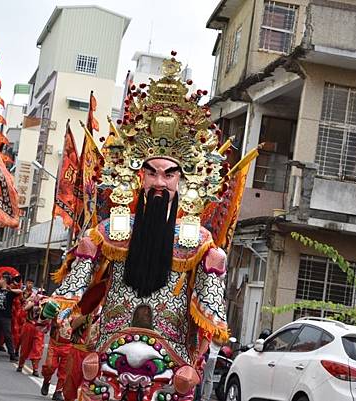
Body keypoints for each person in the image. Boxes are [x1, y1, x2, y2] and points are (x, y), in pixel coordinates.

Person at [50, 56, 228, 401]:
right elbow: (79, 284)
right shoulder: (110, 232)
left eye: (169, 173)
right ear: (138, 175)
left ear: (184, 179)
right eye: (152, 172)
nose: (159, 182)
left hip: (170, 357)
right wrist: (63, 308)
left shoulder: (203, 246)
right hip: (109, 349)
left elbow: (210, 313)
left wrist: (200, 353)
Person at [0, 273, 22, 360]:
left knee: (8, 335)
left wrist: (11, 289)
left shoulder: (10, 292)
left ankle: (12, 355)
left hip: (6, 317)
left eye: (1, 279)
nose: (0, 281)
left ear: (5, 281)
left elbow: (20, 291)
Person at [16, 290, 49, 376]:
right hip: (29, 326)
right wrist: (34, 302)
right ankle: (20, 365)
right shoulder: (32, 302)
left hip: (39, 329)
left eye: (43, 295)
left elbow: (48, 319)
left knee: (37, 349)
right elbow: (25, 309)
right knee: (25, 347)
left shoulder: (47, 305)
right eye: (40, 294)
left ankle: (35, 369)